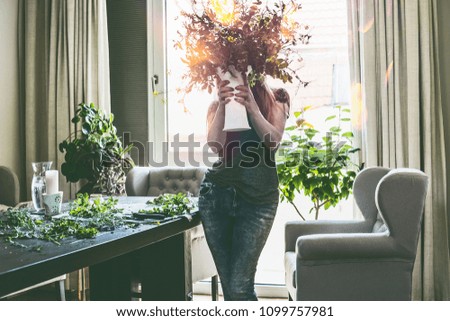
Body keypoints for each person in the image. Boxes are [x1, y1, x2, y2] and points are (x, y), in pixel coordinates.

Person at [198, 73, 290, 301]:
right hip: (217, 197)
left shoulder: (277, 97)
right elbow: (215, 146)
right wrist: (222, 104)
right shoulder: (217, 103)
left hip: (258, 202)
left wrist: (252, 108)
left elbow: (273, 141)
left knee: (239, 285)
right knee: (230, 286)